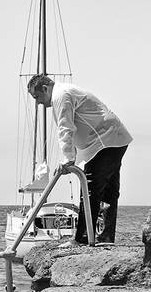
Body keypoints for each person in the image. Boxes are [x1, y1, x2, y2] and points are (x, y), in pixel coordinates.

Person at [27, 74, 132, 243]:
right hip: (112, 138)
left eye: (37, 96)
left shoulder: (61, 95)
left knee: (91, 189)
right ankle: (105, 236)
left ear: (45, 88)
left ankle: (83, 238)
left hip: (105, 140)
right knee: (107, 191)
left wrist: (68, 159)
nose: (38, 102)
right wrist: (72, 157)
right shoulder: (65, 92)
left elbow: (65, 128)